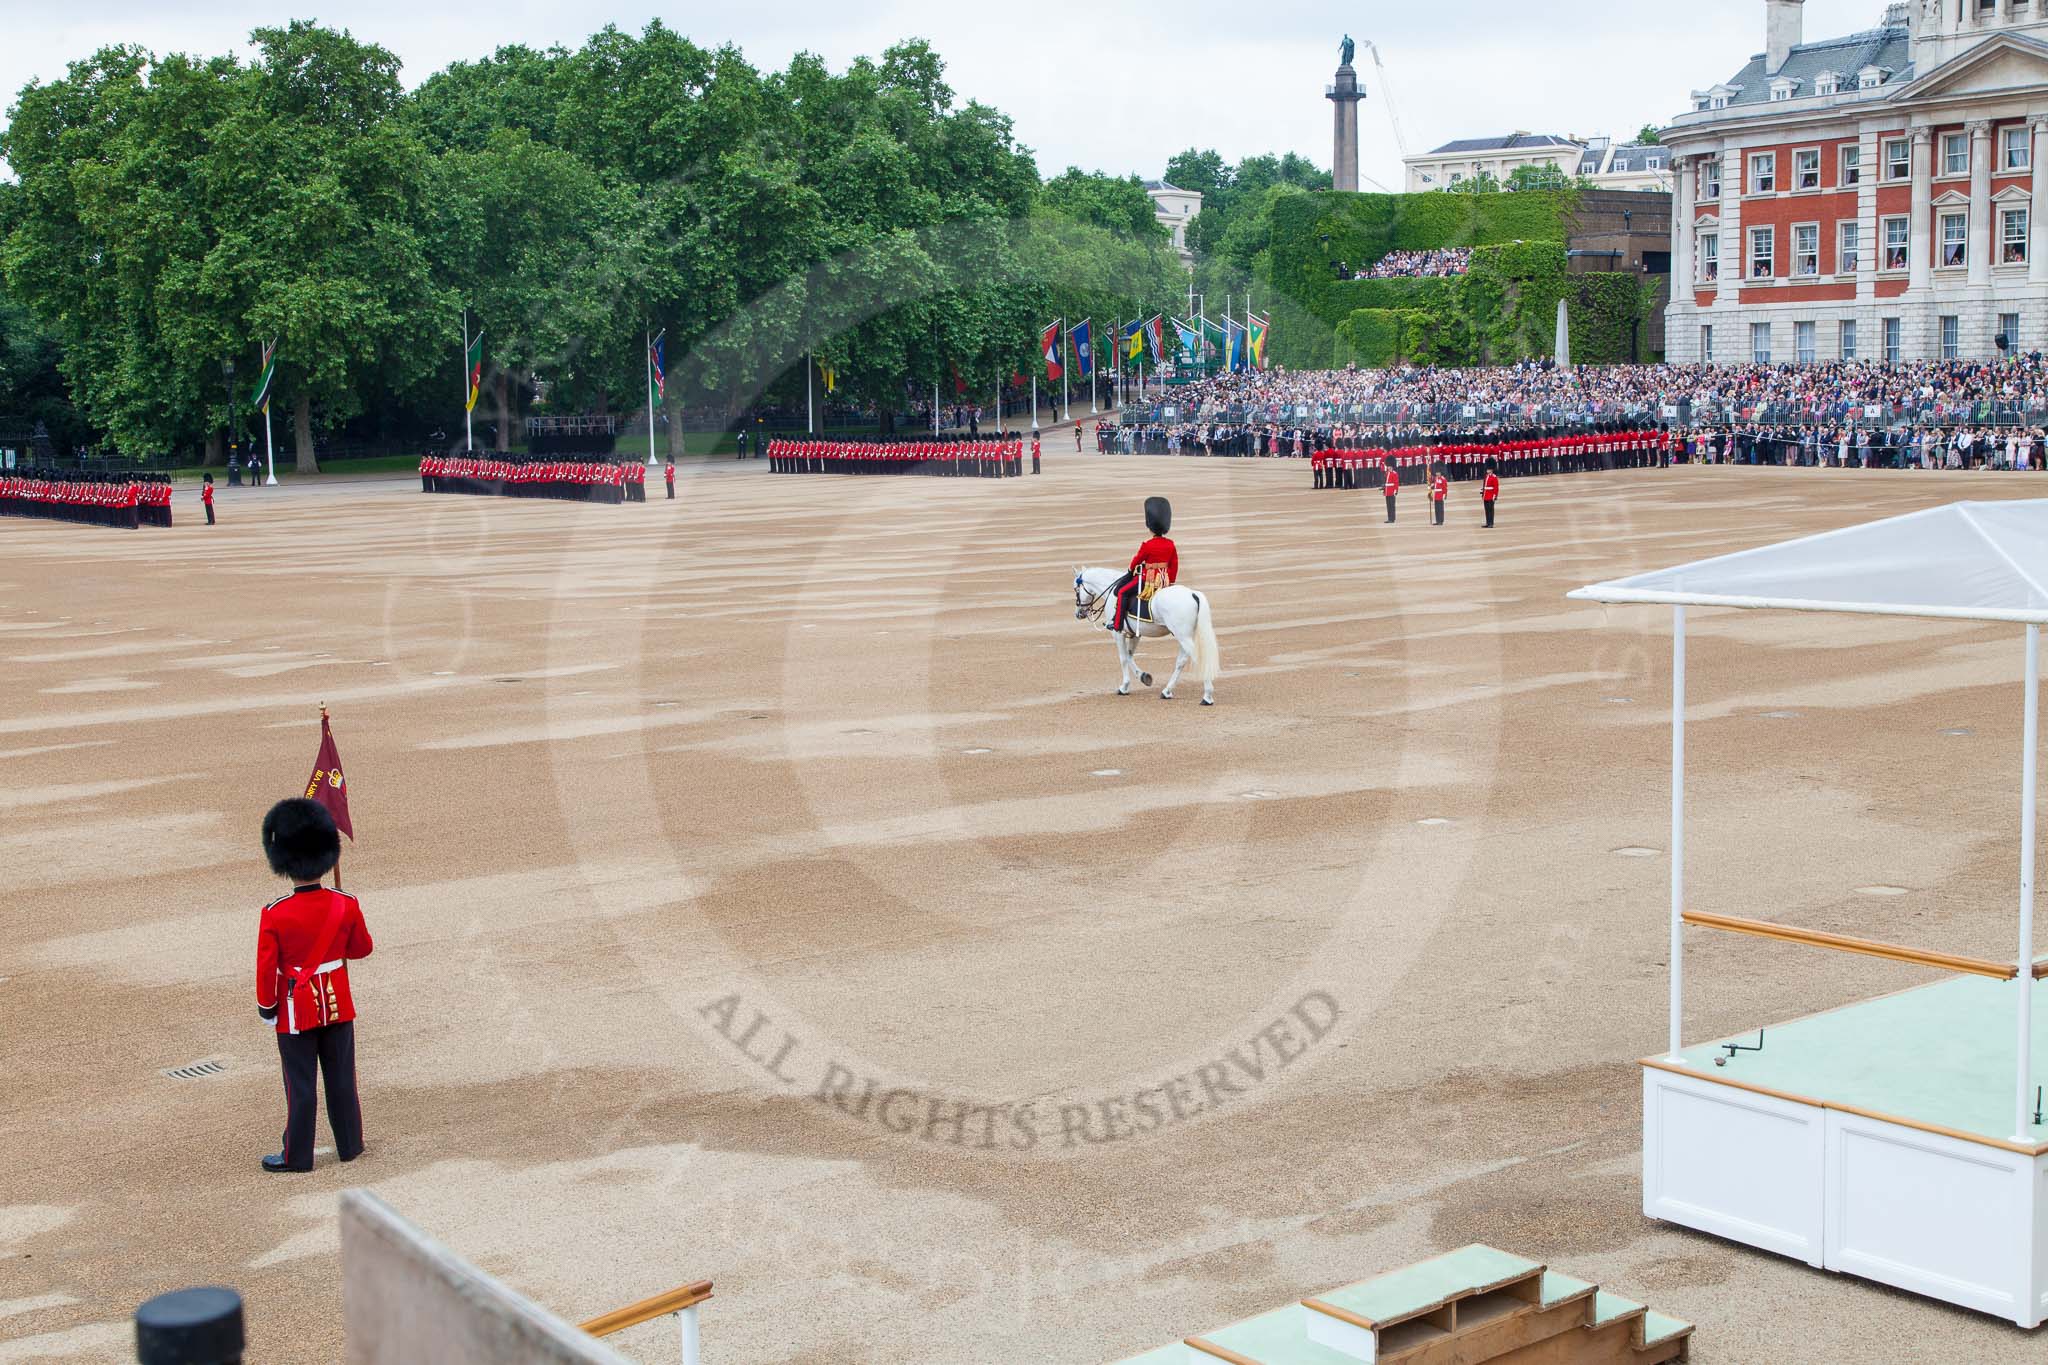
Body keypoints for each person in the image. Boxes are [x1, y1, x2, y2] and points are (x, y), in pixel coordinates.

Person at [255, 798, 373, 1173]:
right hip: (338, 1001)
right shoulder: (345, 903)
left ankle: (297, 1156)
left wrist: (268, 1007)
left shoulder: (275, 913)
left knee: (300, 1084)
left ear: (285, 863)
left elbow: (266, 969)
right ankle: (350, 1144)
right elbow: (362, 949)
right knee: (341, 1077)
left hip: (295, 1009)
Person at [1107, 497, 1178, 635]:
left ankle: (1117, 624)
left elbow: (1137, 560)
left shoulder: (1148, 545)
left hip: (1148, 579)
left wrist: (1130, 570)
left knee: (1122, 592)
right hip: (1164, 580)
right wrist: (1170, 581)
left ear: (1150, 527)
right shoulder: (1170, 544)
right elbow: (1174, 564)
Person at [1481, 459, 1500, 527]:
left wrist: (1495, 496)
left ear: (1491, 470)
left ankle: (1491, 523)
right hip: (1486, 495)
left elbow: (1496, 488)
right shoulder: (1486, 476)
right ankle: (1487, 523)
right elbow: (1485, 486)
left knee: (1490, 510)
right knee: (1486, 510)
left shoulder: (1494, 477)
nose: (1487, 470)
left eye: (1488, 469)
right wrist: (1482, 492)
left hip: (1491, 495)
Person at [1381, 456, 1398, 524]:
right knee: (1388, 506)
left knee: (1392, 506)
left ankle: (1392, 518)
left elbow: (1396, 483)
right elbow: (1386, 483)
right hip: (1387, 491)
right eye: (1388, 466)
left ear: (1392, 467)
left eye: (1390, 466)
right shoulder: (1387, 473)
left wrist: (1395, 491)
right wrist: (1384, 490)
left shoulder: (1394, 473)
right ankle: (1389, 518)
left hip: (1392, 491)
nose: (1389, 467)